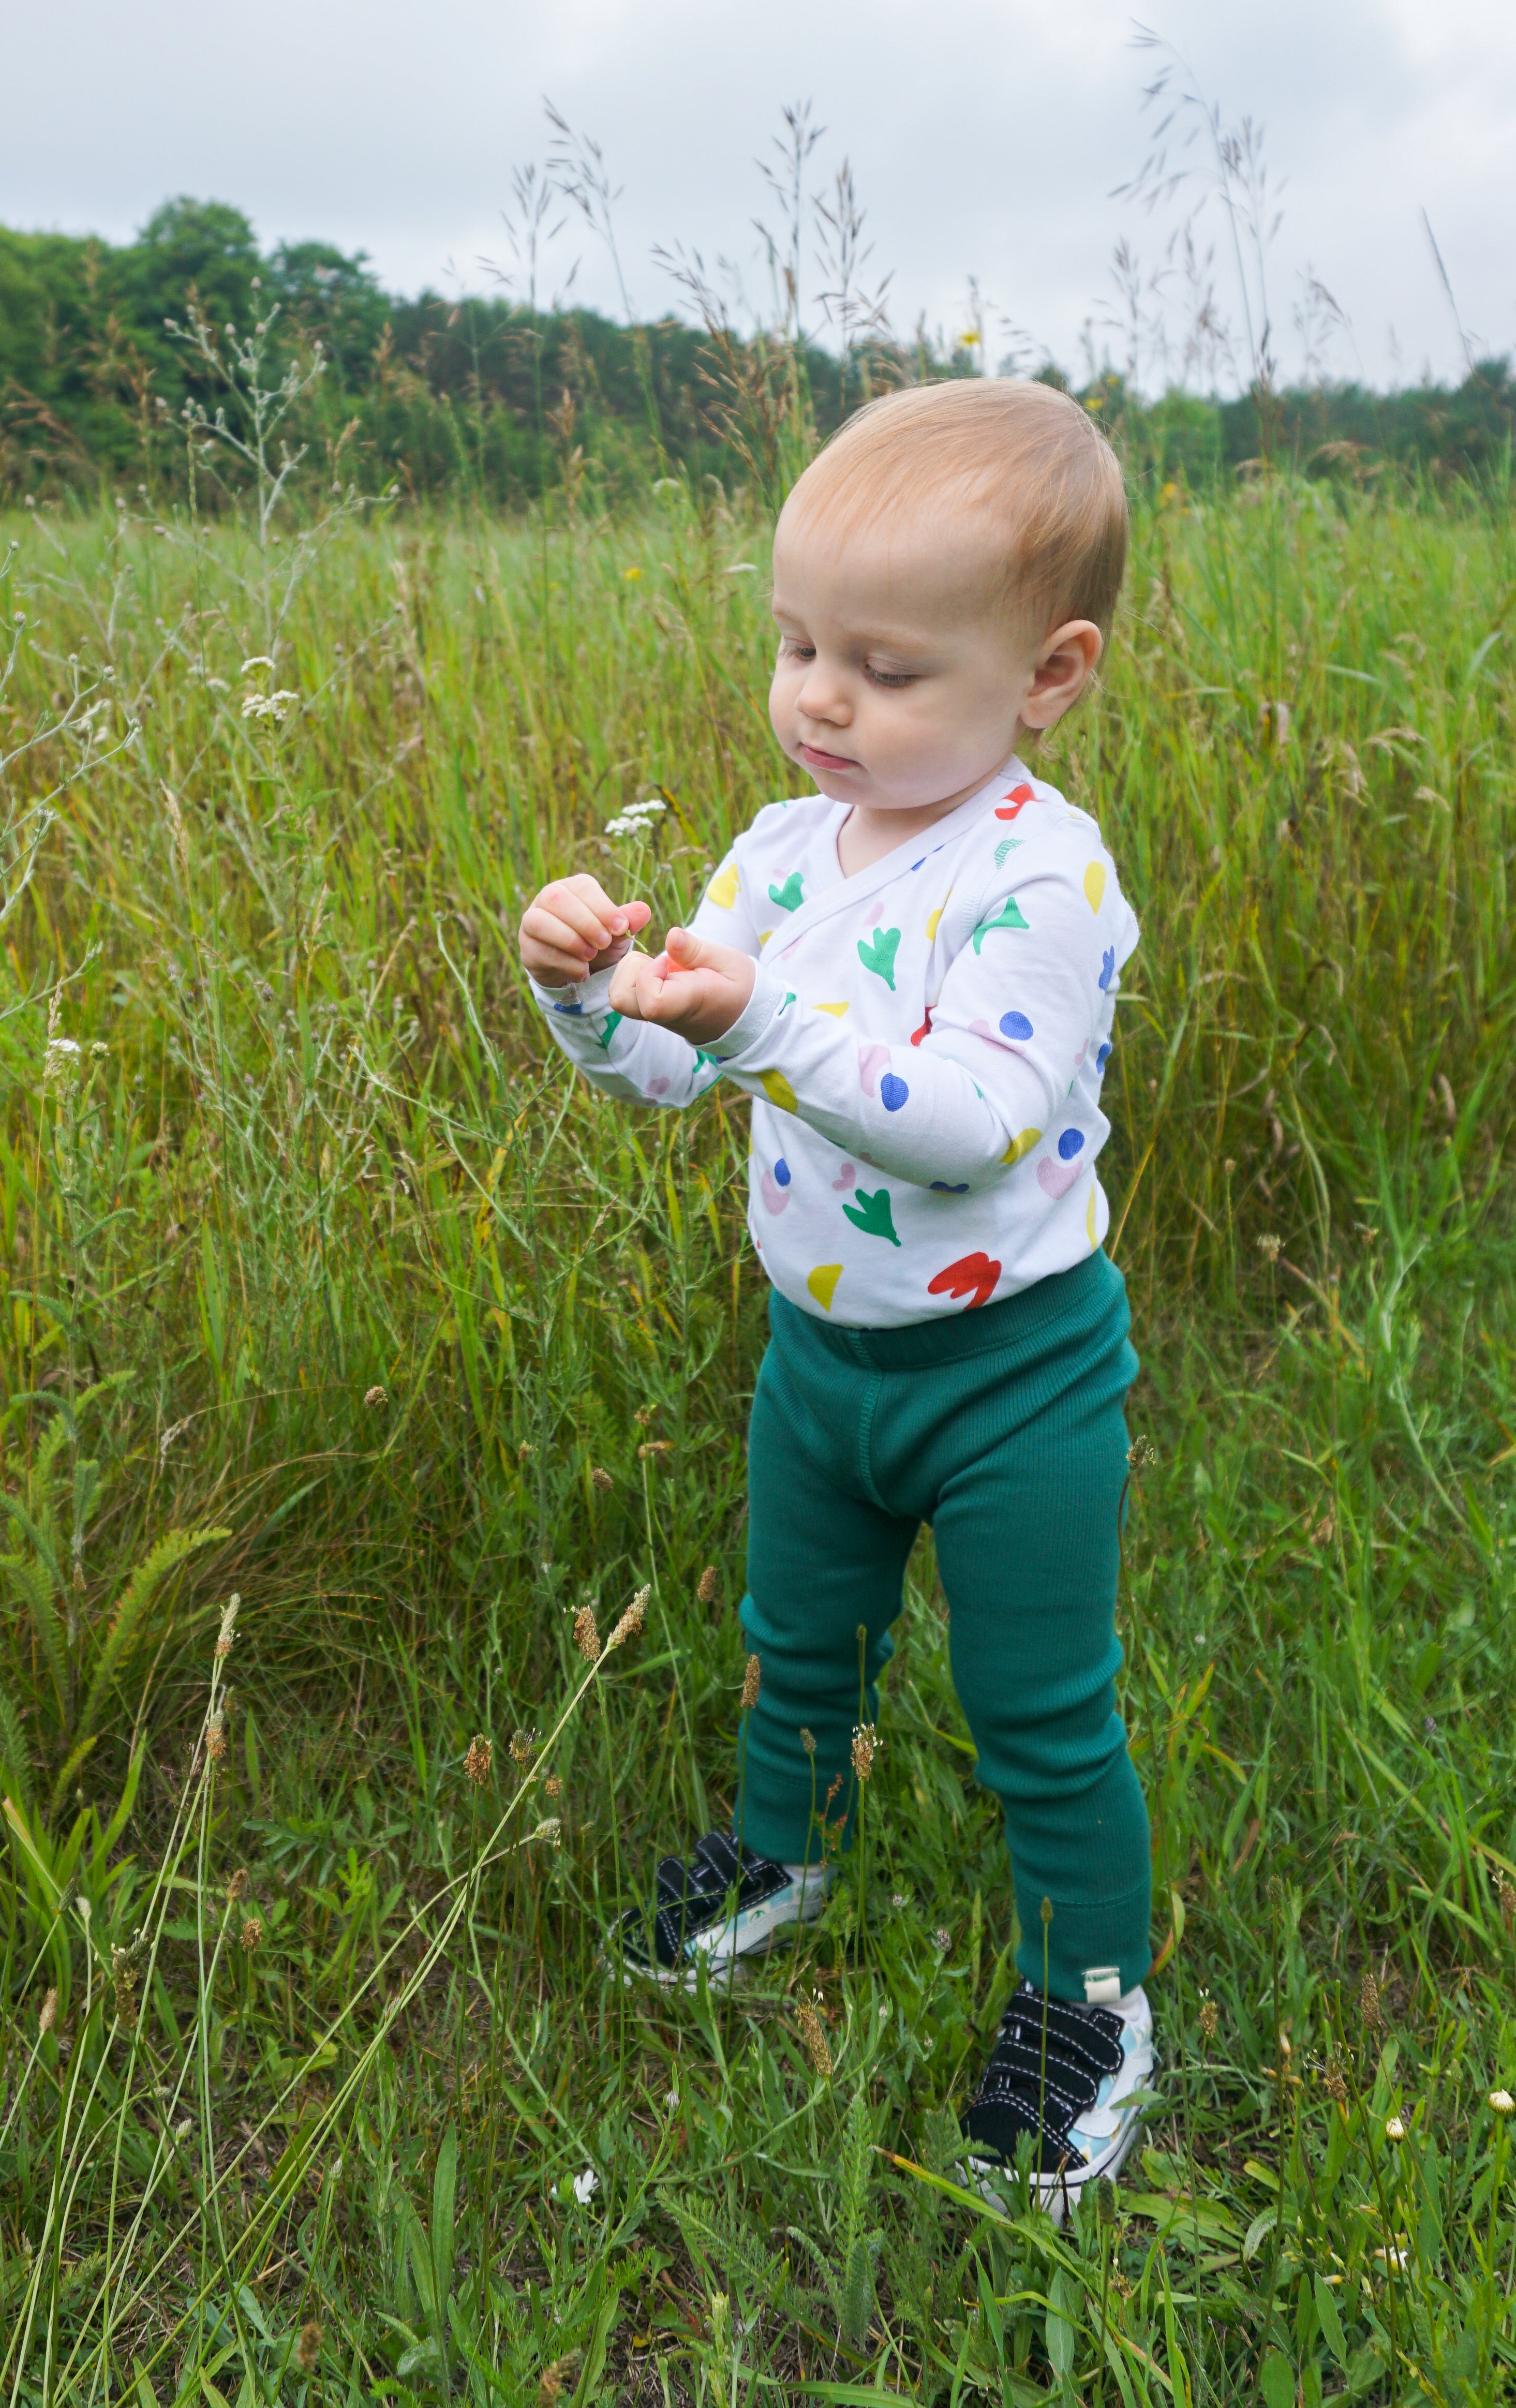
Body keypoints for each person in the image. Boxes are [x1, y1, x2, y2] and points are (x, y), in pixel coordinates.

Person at [515, 377, 1155, 2213]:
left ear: (1048, 672)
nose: (819, 699)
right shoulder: (782, 853)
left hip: (1015, 1375)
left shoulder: (1039, 864)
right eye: (799, 646)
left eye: (884, 667)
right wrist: (596, 991)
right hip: (822, 1363)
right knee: (799, 1641)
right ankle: (784, 1852)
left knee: (1042, 1704)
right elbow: (669, 1075)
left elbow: (971, 1122)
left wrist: (762, 1015)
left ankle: (1090, 1999)